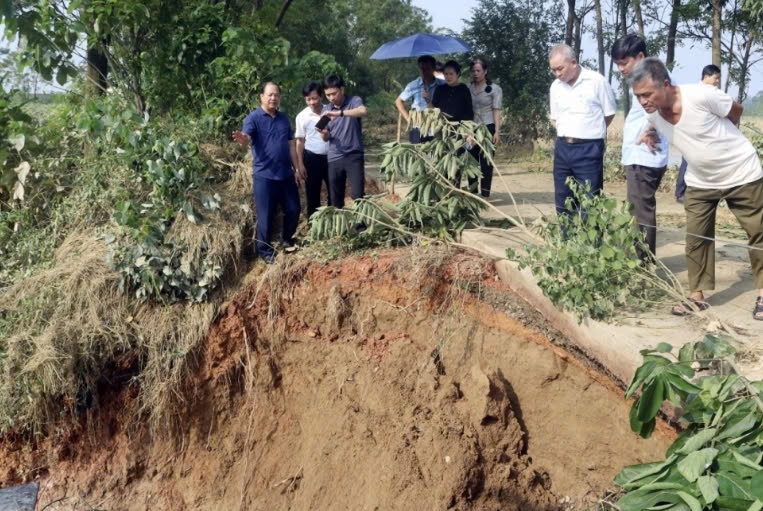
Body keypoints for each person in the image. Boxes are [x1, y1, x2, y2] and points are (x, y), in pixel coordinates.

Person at [631, 57, 763, 320]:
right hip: (701, 181)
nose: (643, 101)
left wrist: (727, 140)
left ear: (666, 84)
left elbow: (735, 110)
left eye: (647, 94)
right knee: (696, 239)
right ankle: (697, 296)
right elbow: (661, 126)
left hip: (741, 173)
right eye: (638, 96)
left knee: (759, 232)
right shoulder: (654, 114)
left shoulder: (702, 95)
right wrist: (650, 133)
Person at [611, 34, 669, 259]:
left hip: (645, 157)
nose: (621, 69)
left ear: (641, 56)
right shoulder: (644, 80)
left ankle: (644, 265)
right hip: (639, 155)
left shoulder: (655, 79)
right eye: (617, 64)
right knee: (637, 212)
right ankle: (640, 259)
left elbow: (665, 107)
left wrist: (652, 130)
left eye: (624, 63)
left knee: (641, 214)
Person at [232, 82, 304, 264]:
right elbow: (246, 137)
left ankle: (287, 240)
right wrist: (243, 139)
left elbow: (290, 145)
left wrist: (296, 169)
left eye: (276, 95)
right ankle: (264, 251)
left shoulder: (283, 119)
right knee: (265, 215)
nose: (273, 98)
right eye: (270, 95)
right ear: (261, 97)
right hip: (264, 176)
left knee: (294, 209)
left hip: (286, 175)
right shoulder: (254, 118)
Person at [548, 44, 617, 217]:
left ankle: (592, 243)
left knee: (590, 200)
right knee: (563, 200)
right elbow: (556, 118)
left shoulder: (596, 81)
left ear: (573, 62)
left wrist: (591, 132)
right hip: (563, 148)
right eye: (553, 70)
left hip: (589, 149)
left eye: (560, 68)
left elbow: (609, 114)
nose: (557, 74)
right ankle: (566, 242)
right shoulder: (555, 87)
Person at [318, 75, 367, 209]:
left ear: (342, 89)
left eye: (334, 93)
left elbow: (363, 111)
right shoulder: (327, 109)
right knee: (336, 198)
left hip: (354, 155)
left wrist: (340, 113)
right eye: (328, 95)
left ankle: (361, 226)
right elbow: (326, 137)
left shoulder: (354, 101)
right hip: (334, 157)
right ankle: (340, 228)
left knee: (358, 194)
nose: (331, 98)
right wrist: (324, 134)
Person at [675, 64, 723, 203]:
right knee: (687, 162)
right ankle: (680, 193)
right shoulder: (694, 91)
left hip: (706, 136)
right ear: (707, 76)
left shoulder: (710, 93)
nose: (717, 81)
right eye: (716, 78)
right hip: (692, 134)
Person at [467, 58, 503, 197]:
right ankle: (473, 192)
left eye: (478, 70)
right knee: (471, 161)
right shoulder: (468, 87)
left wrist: (497, 132)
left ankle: (485, 194)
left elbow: (497, 110)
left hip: (488, 127)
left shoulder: (495, 89)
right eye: (473, 71)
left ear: (485, 71)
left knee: (486, 162)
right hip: (470, 128)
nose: (475, 73)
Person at [295, 81, 330, 220]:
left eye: (314, 98)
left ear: (321, 96)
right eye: (308, 99)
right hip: (312, 158)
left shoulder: (330, 111)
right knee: (312, 194)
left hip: (331, 158)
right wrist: (300, 165)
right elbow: (300, 141)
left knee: (334, 192)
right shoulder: (302, 116)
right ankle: (314, 226)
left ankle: (333, 223)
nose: (312, 102)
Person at [395, 55, 444, 143]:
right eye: (422, 68)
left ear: (433, 68)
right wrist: (408, 119)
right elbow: (398, 101)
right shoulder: (413, 85)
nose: (424, 71)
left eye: (427, 68)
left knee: (435, 153)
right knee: (416, 153)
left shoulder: (441, 85)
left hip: (435, 126)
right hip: (416, 127)